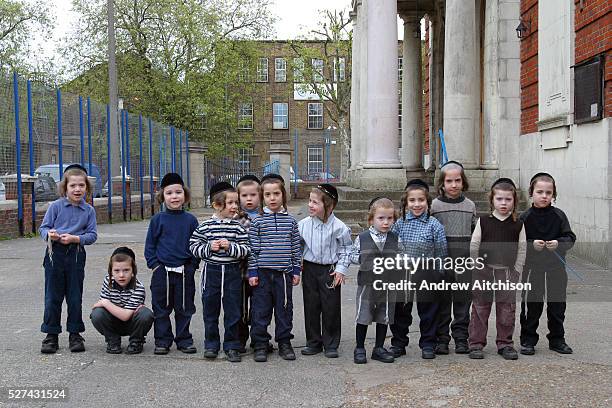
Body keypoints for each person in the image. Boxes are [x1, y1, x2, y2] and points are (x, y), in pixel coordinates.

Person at [39, 163, 97, 354]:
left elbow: (92, 235)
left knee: (74, 296)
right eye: (73, 186)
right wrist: (51, 234)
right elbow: (43, 228)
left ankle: (75, 334)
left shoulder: (88, 211)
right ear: (65, 187)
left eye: (81, 185)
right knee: (52, 297)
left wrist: (76, 238)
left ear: (87, 187)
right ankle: (51, 335)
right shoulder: (55, 206)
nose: (77, 189)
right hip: (54, 254)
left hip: (76, 254)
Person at [190, 181, 250, 363]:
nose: (234, 207)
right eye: (230, 203)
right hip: (211, 273)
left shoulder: (238, 227)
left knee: (233, 312)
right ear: (217, 205)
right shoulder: (205, 226)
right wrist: (209, 247)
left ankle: (232, 345)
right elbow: (193, 246)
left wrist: (231, 247)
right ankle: (211, 344)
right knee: (210, 311)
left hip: (232, 273)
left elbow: (247, 249)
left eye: (235, 203)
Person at [468, 178, 526, 360]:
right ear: (492, 200)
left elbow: (522, 247)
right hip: (484, 270)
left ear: (514, 201)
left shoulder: (518, 224)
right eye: (499, 199)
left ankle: (505, 343)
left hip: (507, 272)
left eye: (508, 199)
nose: (503, 203)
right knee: (480, 308)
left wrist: (517, 269)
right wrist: (476, 264)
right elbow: (474, 243)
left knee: (507, 309)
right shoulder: (484, 221)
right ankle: (476, 344)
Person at [390, 179, 448, 360]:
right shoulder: (399, 224)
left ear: (427, 202)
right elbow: (392, 248)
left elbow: (441, 252)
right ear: (406, 203)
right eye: (412, 201)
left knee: (428, 311)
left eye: (421, 200)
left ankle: (428, 343)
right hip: (404, 272)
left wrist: (439, 273)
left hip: (427, 272)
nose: (417, 204)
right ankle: (399, 343)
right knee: (401, 310)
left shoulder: (434, 225)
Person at [519, 172, 576, 355]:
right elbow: (517, 243)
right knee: (532, 305)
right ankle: (528, 339)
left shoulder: (559, 215)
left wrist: (559, 244)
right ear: (531, 193)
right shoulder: (525, 217)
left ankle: (557, 339)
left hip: (556, 267)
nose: (544, 196)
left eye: (548, 193)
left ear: (554, 195)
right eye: (540, 192)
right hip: (532, 268)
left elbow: (570, 237)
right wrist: (531, 244)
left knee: (557, 304)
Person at [248, 174, 302, 362]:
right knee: (260, 310)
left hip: (284, 274)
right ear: (262, 198)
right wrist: (253, 272)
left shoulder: (291, 222)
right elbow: (253, 251)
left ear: (283, 196)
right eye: (268, 195)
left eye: (276, 194)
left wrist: (296, 270)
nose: (272, 198)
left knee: (284, 310)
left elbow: (296, 248)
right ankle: (261, 344)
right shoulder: (257, 222)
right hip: (262, 274)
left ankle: (285, 342)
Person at [145, 172, 199, 355]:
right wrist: (155, 266)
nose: (174, 196)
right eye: (169, 193)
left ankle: (184, 339)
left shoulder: (190, 220)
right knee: (161, 308)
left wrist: (192, 266)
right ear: (162, 196)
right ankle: (162, 340)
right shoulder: (157, 220)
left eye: (178, 192)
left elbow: (196, 244)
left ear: (185, 195)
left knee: (184, 308)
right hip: (162, 272)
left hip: (185, 272)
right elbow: (150, 245)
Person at [298, 184, 352, 358]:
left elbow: (346, 250)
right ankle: (313, 342)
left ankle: (331, 343)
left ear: (329, 206)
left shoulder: (339, 227)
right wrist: (296, 263)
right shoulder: (303, 225)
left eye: (315, 202)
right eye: (310, 201)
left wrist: (341, 270)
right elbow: (297, 246)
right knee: (311, 306)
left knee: (331, 307)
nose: (310, 205)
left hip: (330, 270)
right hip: (310, 268)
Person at [430, 161, 477, 355]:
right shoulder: (435, 205)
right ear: (442, 183)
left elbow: (475, 232)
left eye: (458, 180)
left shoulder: (470, 205)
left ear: (463, 182)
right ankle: (442, 339)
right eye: (449, 181)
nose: (454, 185)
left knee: (462, 302)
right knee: (443, 302)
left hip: (464, 261)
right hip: (442, 261)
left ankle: (461, 338)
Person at [349, 197, 399, 364]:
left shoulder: (395, 238)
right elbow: (353, 257)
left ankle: (378, 347)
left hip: (387, 285)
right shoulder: (362, 238)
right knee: (363, 316)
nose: (386, 222)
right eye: (381, 218)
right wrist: (364, 258)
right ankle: (359, 347)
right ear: (371, 219)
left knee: (384, 316)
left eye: (389, 218)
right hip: (367, 284)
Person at [90, 247, 154, 354]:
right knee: (97, 313)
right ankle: (113, 340)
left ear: (133, 271)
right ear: (111, 272)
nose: (121, 275)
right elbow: (100, 309)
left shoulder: (138, 288)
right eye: (116, 271)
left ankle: (136, 341)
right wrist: (104, 304)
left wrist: (105, 302)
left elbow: (125, 316)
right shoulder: (108, 281)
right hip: (113, 322)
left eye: (126, 270)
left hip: (132, 324)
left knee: (145, 314)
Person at [235, 174, 262, 353]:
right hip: (241, 272)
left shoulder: (265, 217)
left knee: (260, 308)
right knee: (241, 308)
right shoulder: (236, 219)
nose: (249, 199)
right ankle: (240, 340)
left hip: (261, 271)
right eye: (244, 196)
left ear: (260, 196)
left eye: (253, 195)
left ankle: (259, 339)